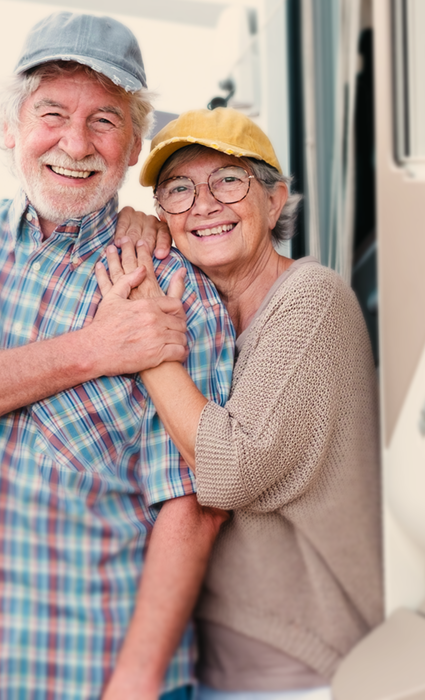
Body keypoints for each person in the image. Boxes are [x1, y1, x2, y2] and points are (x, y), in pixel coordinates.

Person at [0, 12, 233, 700]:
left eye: (105, 120)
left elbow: (194, 506)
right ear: (12, 128)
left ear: (133, 145)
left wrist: (137, 681)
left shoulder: (170, 289)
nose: (75, 143)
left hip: (84, 672)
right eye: (51, 112)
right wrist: (94, 348)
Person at [105, 108, 383, 700]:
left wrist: (146, 346)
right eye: (179, 190)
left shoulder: (312, 301)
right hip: (204, 664)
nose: (203, 204)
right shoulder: (203, 305)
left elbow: (229, 469)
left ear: (275, 201)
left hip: (299, 667)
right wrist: (129, 225)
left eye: (228, 180)